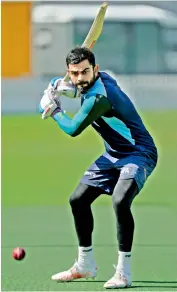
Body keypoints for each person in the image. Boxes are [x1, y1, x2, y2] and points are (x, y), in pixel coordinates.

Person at [39, 46, 158, 289]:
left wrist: (54, 110)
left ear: (96, 69)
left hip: (138, 153)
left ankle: (123, 272)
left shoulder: (99, 98)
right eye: (74, 74)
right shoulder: (100, 79)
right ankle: (85, 265)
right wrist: (57, 85)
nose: (80, 78)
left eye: (85, 72)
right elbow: (75, 86)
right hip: (113, 155)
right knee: (78, 200)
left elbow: (73, 129)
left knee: (120, 200)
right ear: (69, 73)